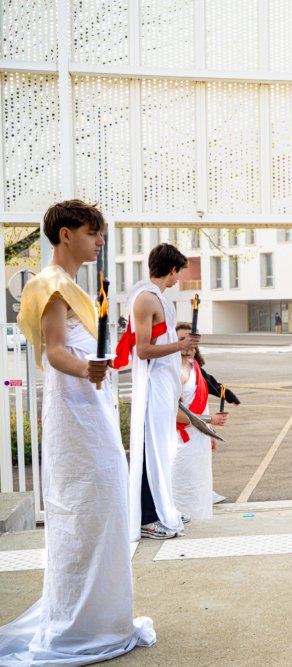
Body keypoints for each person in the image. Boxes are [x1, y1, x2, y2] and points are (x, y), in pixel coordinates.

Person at [0, 200, 156, 663]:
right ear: (66, 235)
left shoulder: (70, 286)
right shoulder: (51, 284)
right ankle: (80, 626)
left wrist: (96, 367)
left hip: (88, 407)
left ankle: (99, 619)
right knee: (87, 510)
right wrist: (90, 367)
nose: (100, 241)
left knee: (98, 510)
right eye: (93, 233)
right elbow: (54, 352)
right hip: (76, 413)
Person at [115, 243, 200, 540]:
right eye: (179, 273)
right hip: (153, 386)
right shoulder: (146, 300)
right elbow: (143, 350)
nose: (179, 279)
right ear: (172, 270)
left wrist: (180, 345)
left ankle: (163, 508)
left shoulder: (156, 298)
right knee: (150, 449)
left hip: (163, 385)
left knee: (161, 449)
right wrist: (180, 345)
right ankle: (148, 517)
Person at [172, 322, 229, 521]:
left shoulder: (194, 367)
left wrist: (209, 431)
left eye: (190, 339)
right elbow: (172, 413)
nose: (187, 343)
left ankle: (199, 523)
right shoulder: (174, 372)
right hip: (181, 442)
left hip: (199, 441)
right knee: (183, 487)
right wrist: (209, 420)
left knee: (200, 486)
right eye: (181, 339)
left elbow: (201, 405)